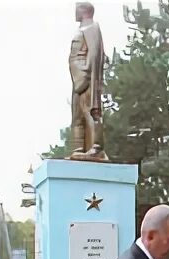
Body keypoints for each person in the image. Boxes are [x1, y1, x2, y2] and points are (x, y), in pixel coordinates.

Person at [68, 2, 107, 161]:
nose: (74, 12)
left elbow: (94, 55)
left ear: (83, 11)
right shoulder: (82, 29)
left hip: (85, 79)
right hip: (77, 80)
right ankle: (79, 147)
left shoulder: (91, 28)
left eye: (77, 9)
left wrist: (85, 76)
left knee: (90, 112)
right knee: (77, 116)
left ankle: (96, 147)